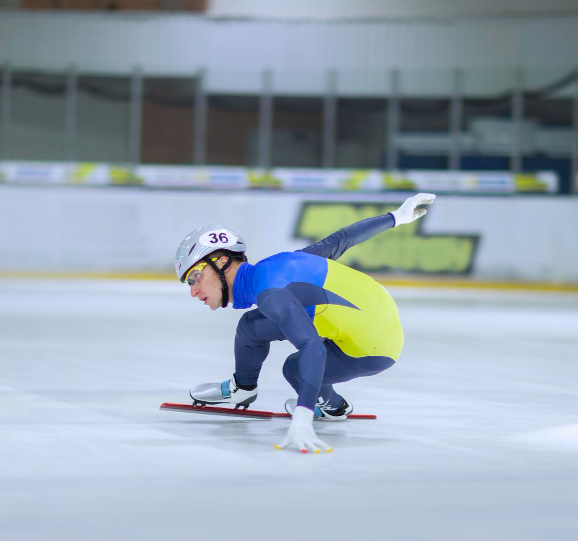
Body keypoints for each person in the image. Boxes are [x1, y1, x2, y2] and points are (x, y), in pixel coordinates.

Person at [174, 193, 435, 453]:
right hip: (374, 309)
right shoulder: (276, 265)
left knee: (295, 368)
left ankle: (333, 405)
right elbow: (341, 240)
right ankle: (242, 388)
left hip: (376, 347)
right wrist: (397, 217)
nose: (193, 291)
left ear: (222, 261)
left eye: (195, 277)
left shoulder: (271, 293)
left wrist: (303, 417)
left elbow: (313, 348)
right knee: (251, 326)